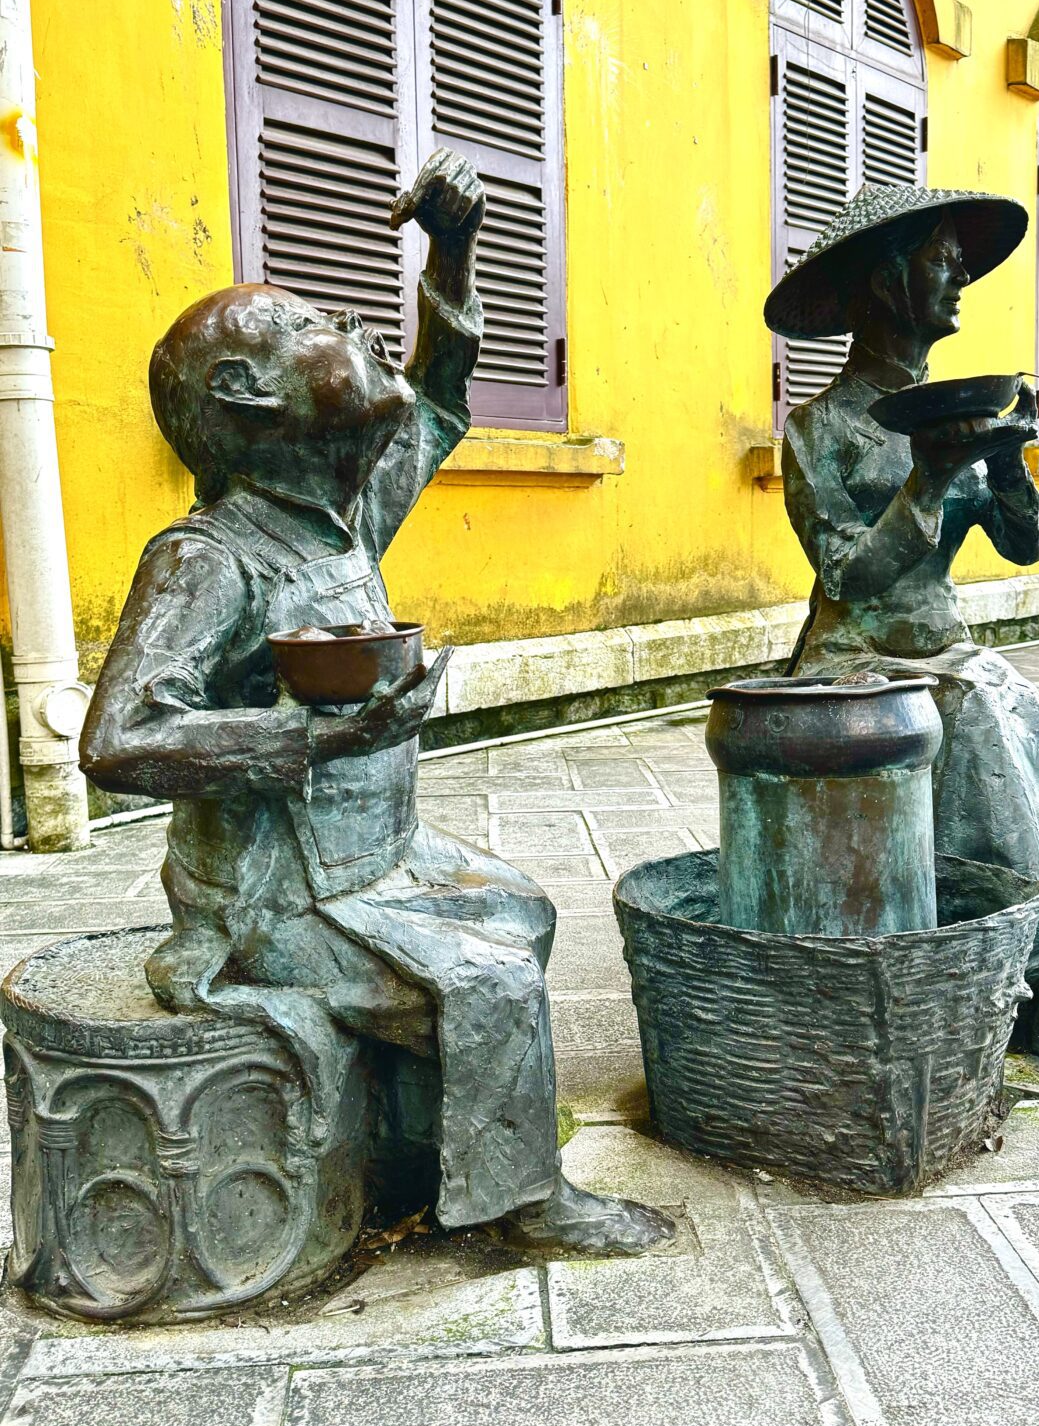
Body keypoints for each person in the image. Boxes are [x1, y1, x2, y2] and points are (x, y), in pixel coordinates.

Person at [80, 147, 673, 1253]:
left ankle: (414, 1135)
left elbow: (438, 389)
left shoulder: (339, 515)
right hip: (279, 896)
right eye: (312, 322)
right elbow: (119, 736)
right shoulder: (209, 556)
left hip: (377, 859)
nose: (350, 318)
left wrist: (451, 248)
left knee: (523, 910)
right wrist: (305, 737)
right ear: (248, 395)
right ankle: (520, 1205)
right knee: (489, 980)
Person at [766, 181, 1039, 1122]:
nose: (962, 270)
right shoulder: (818, 429)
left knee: (1038, 724)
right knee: (974, 717)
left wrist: (1007, 466)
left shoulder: (952, 418)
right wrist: (925, 483)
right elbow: (845, 577)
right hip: (851, 663)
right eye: (940, 255)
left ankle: (1028, 935)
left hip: (943, 651)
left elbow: (1028, 544)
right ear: (886, 282)